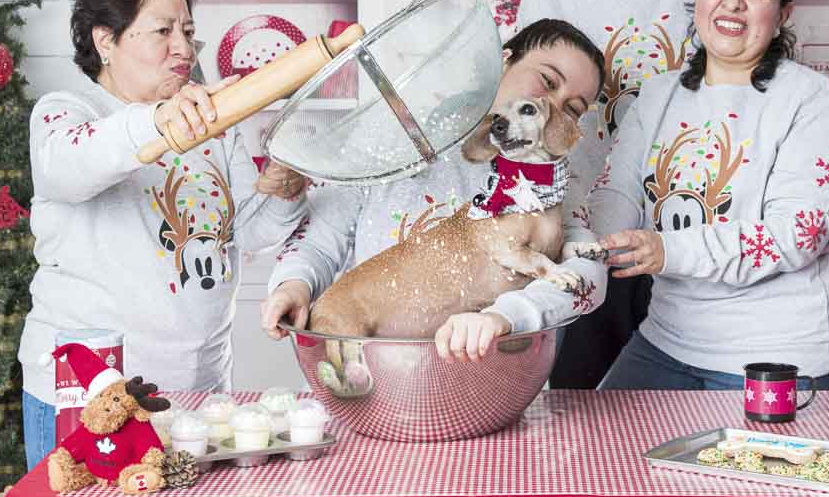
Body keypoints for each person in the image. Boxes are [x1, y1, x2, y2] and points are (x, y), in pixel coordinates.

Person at [18, 0, 307, 469]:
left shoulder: (210, 123)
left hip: (199, 392)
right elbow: (71, 168)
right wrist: (159, 118)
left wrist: (284, 193)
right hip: (90, 396)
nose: (184, 48)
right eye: (162, 31)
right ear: (105, 40)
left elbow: (246, 233)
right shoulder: (67, 114)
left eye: (188, 31)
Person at [580, 0, 829, 390]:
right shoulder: (659, 94)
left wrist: (667, 250)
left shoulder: (812, 99)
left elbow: (797, 234)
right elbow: (617, 192)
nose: (733, 2)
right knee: (597, 434)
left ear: (782, 15)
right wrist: (594, 242)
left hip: (781, 351)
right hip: (667, 339)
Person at [260, 19, 608, 360]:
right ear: (503, 60)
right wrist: (294, 285)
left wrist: (505, 316)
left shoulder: (553, 185)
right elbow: (321, 238)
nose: (552, 107)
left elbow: (589, 273)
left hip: (487, 372)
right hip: (371, 360)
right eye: (547, 81)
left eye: (572, 109)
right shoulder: (391, 137)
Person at [517, 0, 704, 388]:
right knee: (579, 391)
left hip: (694, 226)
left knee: (691, 390)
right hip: (585, 224)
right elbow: (526, 97)